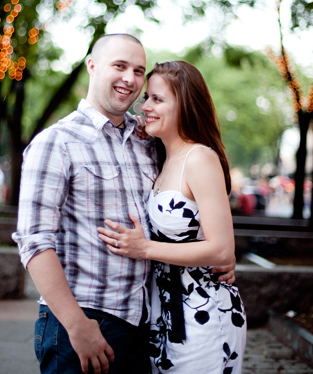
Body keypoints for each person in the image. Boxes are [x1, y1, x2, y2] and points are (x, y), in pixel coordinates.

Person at [13, 34, 234, 374]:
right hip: (85, 320)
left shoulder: (146, 140)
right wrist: (76, 324)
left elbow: (184, 208)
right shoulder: (56, 143)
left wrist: (219, 256)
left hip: (145, 322)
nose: (130, 79)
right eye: (119, 66)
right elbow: (34, 242)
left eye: (138, 71)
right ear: (92, 65)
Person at [97, 61, 246, 373]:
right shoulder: (162, 156)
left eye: (158, 99)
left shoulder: (200, 158)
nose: (146, 105)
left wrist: (144, 248)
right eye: (147, 98)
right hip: (161, 312)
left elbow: (222, 250)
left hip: (203, 313)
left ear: (186, 105)